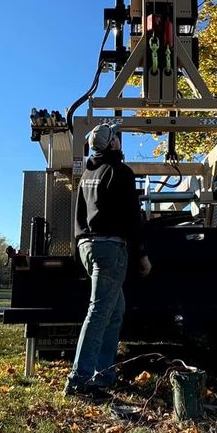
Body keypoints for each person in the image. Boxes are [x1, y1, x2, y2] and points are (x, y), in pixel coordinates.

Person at [64, 123, 151, 400]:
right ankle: (79, 381)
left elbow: (77, 214)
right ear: (112, 144)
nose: (119, 140)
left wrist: (79, 246)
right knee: (100, 312)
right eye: (117, 136)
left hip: (87, 246)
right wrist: (141, 255)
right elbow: (132, 219)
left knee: (115, 312)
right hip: (110, 249)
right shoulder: (120, 173)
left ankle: (104, 375)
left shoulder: (88, 174)